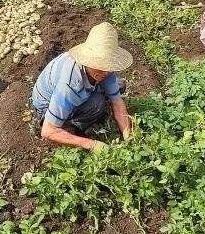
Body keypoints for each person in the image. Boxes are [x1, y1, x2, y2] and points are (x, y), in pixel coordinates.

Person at [31, 22, 133, 153]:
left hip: (70, 91)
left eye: (108, 65)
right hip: (46, 107)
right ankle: (70, 126)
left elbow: (117, 102)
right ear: (88, 60)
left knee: (119, 85)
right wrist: (92, 144)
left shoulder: (104, 70)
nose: (106, 72)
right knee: (97, 104)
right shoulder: (70, 84)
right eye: (101, 66)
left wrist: (128, 137)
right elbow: (47, 131)